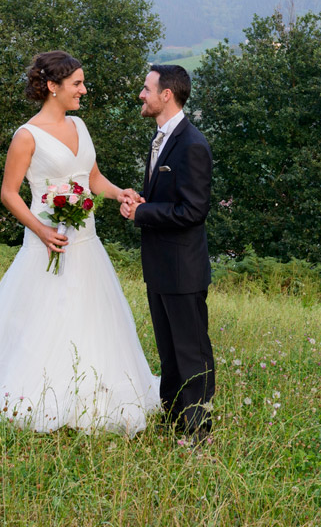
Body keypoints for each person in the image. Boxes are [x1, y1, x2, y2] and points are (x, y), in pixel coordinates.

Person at [0, 51, 161, 434]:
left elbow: (92, 177)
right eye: (77, 83)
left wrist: (118, 193)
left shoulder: (80, 125)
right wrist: (41, 230)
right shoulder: (26, 136)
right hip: (46, 243)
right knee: (41, 316)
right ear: (53, 86)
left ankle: (95, 386)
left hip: (86, 243)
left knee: (95, 317)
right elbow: (9, 194)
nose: (84, 89)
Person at [120, 64, 215, 438]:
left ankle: (198, 432)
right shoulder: (159, 139)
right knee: (170, 354)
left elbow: (194, 210)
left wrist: (143, 212)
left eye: (146, 89)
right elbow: (168, 200)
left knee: (191, 353)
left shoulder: (192, 144)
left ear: (166, 95)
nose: (141, 95)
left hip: (183, 269)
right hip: (160, 267)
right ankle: (174, 421)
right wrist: (142, 204)